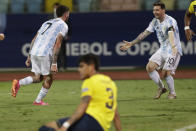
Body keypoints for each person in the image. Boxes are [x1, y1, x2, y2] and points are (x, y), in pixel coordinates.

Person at [39, 53, 122, 131]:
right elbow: (116, 114)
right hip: (102, 127)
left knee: (46, 128)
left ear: (91, 66)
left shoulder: (90, 81)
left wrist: (66, 125)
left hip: (90, 121)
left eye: (82, 66)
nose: (79, 70)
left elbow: (83, 107)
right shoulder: (110, 82)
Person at [120, 1, 182, 99]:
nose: (155, 12)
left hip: (173, 49)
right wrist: (132, 43)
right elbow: (144, 33)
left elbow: (171, 33)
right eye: (154, 10)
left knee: (165, 73)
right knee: (150, 67)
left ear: (163, 10)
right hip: (163, 49)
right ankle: (162, 88)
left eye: (157, 10)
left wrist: (174, 48)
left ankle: (173, 93)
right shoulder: (154, 21)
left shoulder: (170, 21)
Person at [11, 5, 70, 105]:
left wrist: (29, 56)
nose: (69, 15)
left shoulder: (47, 22)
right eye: (68, 13)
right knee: (50, 77)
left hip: (35, 52)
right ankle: (38, 101)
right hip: (45, 53)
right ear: (66, 14)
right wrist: (54, 63)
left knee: (39, 77)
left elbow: (34, 39)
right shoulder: (63, 25)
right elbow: (58, 43)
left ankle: (18, 83)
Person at [53, 2, 72, 71]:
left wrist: (68, 35)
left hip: (63, 37)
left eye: (57, 7)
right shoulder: (51, 17)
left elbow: (69, 26)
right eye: (55, 7)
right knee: (55, 51)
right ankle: (56, 66)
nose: (55, 9)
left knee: (63, 52)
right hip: (54, 38)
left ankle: (64, 67)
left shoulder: (66, 17)